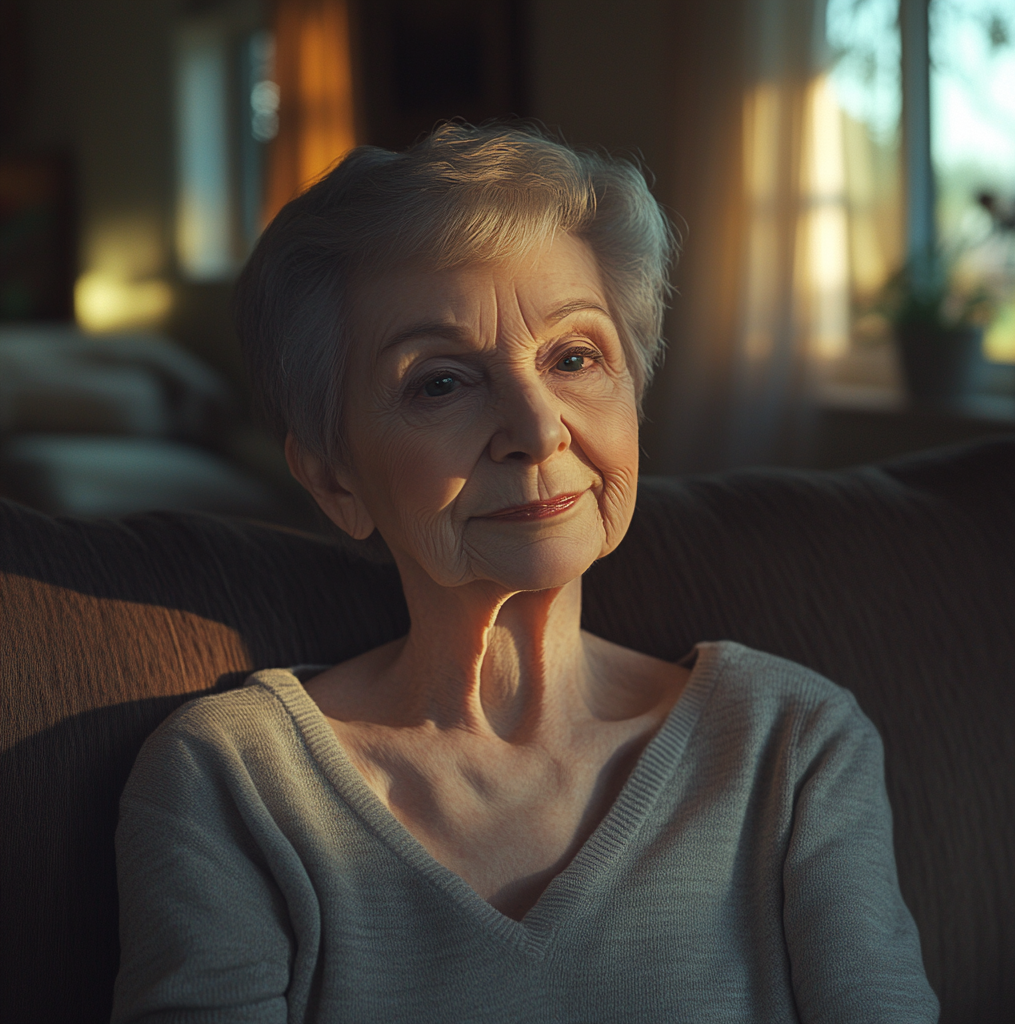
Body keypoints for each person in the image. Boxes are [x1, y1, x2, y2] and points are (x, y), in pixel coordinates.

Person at [111, 123, 939, 1023]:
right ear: (333, 477)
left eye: (574, 358)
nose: (539, 428)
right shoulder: (233, 779)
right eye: (440, 382)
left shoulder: (793, 745)